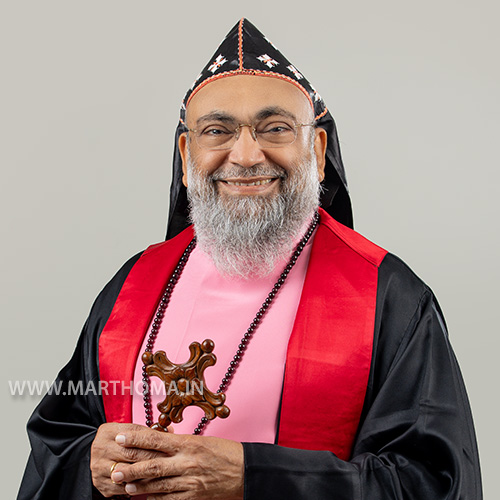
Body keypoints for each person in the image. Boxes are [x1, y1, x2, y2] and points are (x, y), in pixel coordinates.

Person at [18, 18, 482, 500]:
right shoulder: (133, 285)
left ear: (317, 149)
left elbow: (432, 482)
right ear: (186, 154)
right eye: (217, 130)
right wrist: (88, 462)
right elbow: (59, 440)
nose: (244, 155)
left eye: (275, 128)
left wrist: (252, 476)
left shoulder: (389, 298)